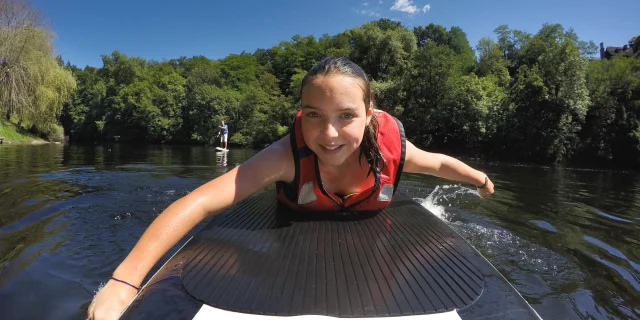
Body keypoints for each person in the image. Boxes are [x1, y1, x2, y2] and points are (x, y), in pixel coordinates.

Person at [87, 57, 494, 320]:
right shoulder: (284, 157)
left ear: (370, 116)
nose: (329, 134)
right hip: (291, 224)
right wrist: (123, 283)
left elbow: (438, 163)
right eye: (314, 115)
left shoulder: (393, 150)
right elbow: (197, 204)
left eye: (346, 116)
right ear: (301, 113)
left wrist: (478, 178)